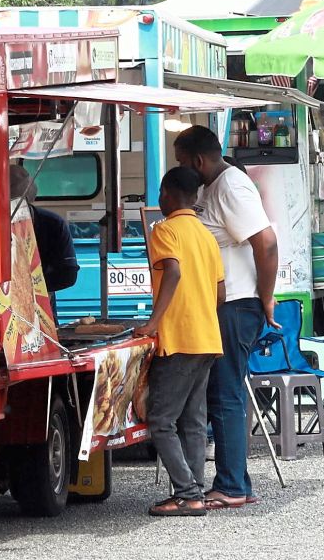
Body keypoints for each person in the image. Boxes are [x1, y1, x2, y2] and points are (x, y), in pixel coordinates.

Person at [173, 125, 278, 510]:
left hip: (236, 304)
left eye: (183, 162)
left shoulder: (231, 187)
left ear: (199, 160)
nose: (181, 169)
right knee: (221, 393)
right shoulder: (211, 189)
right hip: (221, 304)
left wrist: (266, 299)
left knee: (227, 394)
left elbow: (265, 243)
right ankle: (235, 482)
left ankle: (232, 485)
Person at [0, 166, 79, 500]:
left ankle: (9, 473)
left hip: (39, 326)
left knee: (29, 399)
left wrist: (34, 282)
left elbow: (68, 273)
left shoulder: (51, 224)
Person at [134, 167, 225, 517]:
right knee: (192, 420)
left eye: (160, 193)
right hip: (207, 336)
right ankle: (196, 490)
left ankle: (187, 494)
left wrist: (154, 322)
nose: (158, 199)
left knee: (161, 419)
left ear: (169, 195)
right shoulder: (206, 236)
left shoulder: (165, 230)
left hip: (180, 338)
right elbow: (220, 292)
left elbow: (171, 270)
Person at [8, 164, 80, 316]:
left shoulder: (53, 224)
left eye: (19, 207)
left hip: (43, 314)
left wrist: (28, 287)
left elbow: (68, 274)